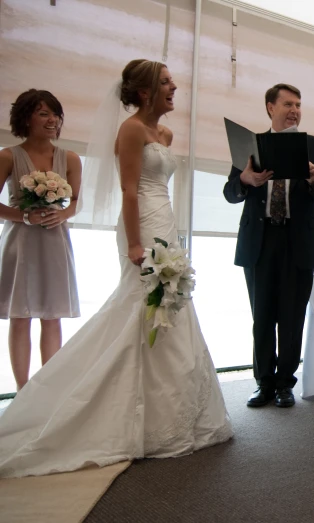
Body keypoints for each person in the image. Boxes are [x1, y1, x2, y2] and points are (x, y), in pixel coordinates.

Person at [0, 59, 232, 478]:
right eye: (165, 82)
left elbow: (160, 184)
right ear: (144, 91)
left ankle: (175, 410)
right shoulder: (131, 130)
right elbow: (128, 189)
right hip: (140, 223)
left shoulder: (165, 133)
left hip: (166, 221)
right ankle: (72, 397)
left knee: (172, 304)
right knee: (140, 306)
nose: (174, 86)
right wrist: (135, 242)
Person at [223, 83, 314, 409]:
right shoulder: (250, 145)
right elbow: (230, 192)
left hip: (298, 239)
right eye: (287, 104)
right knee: (262, 316)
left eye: (298, 104)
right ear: (270, 107)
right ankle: (263, 383)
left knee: (292, 315)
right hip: (260, 239)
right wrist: (246, 180)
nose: (294, 110)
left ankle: (286, 383)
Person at [0, 90, 82, 391]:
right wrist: (23, 216)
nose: (52, 120)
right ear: (26, 117)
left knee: (52, 314)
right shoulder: (8, 156)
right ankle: (22, 392)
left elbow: (74, 203)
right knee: (20, 315)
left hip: (55, 241)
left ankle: (48, 392)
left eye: (55, 113)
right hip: (20, 242)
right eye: (43, 113)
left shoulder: (70, 158)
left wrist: (63, 215)